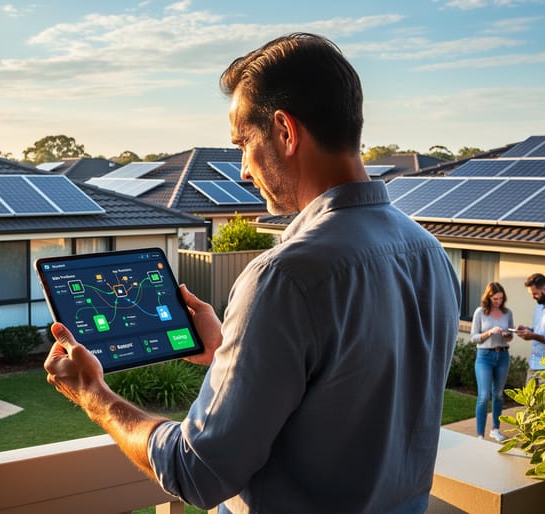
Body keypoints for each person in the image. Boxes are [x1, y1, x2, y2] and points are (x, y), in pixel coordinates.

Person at [44, 33, 460, 513]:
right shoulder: (427, 251)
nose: (242, 170)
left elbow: (197, 471)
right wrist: (229, 352)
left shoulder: (284, 278)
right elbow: (350, 393)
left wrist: (94, 395)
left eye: (243, 143)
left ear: (284, 131)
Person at [470, 282, 513, 442]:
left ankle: (495, 429)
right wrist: (489, 332)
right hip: (484, 357)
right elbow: (474, 337)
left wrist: (507, 334)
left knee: (498, 394)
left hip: (502, 355)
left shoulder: (507, 313)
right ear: (488, 297)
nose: (498, 301)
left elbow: (511, 336)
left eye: (501, 298)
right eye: (495, 298)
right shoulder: (480, 312)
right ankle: (480, 435)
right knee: (483, 396)